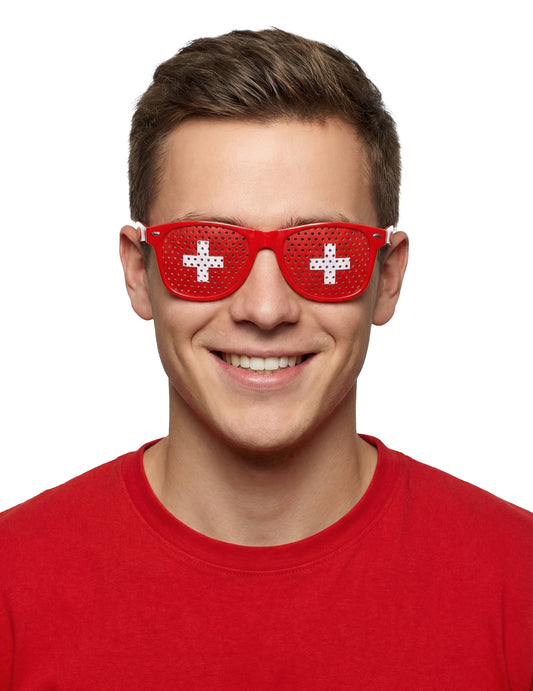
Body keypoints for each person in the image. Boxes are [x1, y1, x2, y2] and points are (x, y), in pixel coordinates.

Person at [1, 28, 532, 690]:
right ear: (138, 273)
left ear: (387, 277)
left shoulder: (518, 583)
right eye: (206, 248)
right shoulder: (12, 587)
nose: (265, 307)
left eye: (323, 249)